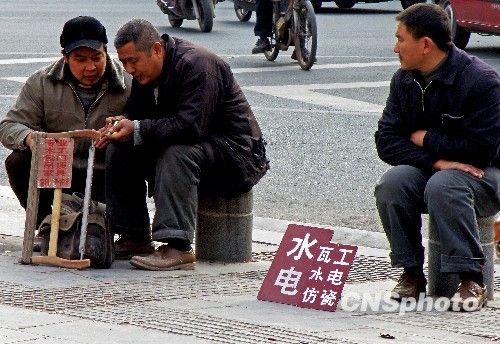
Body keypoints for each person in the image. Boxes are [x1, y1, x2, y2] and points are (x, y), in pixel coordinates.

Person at [96, 19, 269, 270]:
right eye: (124, 63)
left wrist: (137, 128)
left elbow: (190, 128)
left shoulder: (197, 65)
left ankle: (176, 246)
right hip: (198, 145)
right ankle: (133, 235)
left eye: (133, 60)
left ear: (156, 49)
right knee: (120, 147)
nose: (129, 69)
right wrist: (121, 123)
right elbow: (139, 116)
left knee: (177, 153)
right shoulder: (147, 75)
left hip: (236, 153)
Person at [374, 3, 500, 311]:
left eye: (401, 39)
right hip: (436, 169)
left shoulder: (481, 81)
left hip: (486, 174)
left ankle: (472, 279)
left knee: (444, 185)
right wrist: (437, 160)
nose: (395, 48)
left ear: (425, 44)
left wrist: (426, 138)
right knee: (393, 183)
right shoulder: (403, 80)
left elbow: (481, 149)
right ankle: (411, 273)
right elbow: (386, 141)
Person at [0, 16, 131, 248]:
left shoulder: (127, 82)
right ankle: (44, 225)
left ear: (106, 51)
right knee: (18, 161)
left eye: (96, 57)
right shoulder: (41, 82)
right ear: (65, 57)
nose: (90, 67)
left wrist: (125, 125)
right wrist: (31, 139)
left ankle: (125, 231)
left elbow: (150, 121)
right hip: (57, 171)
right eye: (80, 59)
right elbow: (9, 125)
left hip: (105, 172)